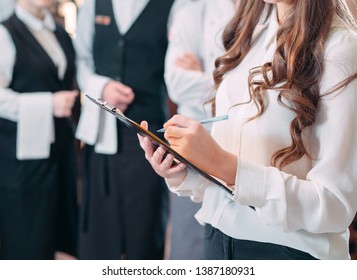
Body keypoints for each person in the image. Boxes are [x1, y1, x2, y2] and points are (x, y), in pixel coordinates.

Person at [138, 0, 357, 260]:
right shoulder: (251, 32)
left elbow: (334, 204)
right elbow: (231, 174)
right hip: (218, 239)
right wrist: (185, 172)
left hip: (288, 253)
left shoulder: (341, 48)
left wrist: (222, 164)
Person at [74, 0, 181, 260]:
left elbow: (179, 64)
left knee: (145, 227)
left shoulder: (175, 6)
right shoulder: (93, 5)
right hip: (102, 132)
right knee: (100, 228)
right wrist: (101, 87)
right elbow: (82, 60)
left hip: (150, 133)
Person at [0, 0, 78, 259]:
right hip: (22, 158)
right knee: (26, 237)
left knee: (57, 234)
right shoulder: (5, 33)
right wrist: (48, 104)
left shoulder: (60, 33)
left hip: (59, 151)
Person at [164, 0, 236, 259]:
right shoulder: (192, 10)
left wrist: (208, 75)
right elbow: (177, 84)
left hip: (245, 146)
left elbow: (267, 85)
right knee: (189, 247)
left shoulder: (267, 10)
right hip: (193, 147)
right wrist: (228, 81)